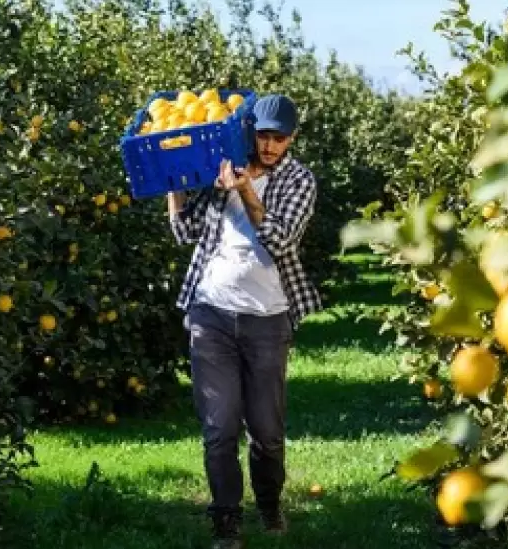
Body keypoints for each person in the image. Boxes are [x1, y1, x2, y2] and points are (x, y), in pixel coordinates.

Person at [166, 93, 321, 549]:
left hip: (268, 321)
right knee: (219, 428)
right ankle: (226, 520)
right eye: (264, 136)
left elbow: (281, 239)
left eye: (280, 138)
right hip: (211, 312)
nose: (270, 146)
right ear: (250, 132)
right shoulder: (223, 167)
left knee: (268, 433)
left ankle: (269, 504)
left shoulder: (299, 180)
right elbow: (185, 232)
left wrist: (246, 191)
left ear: (291, 139)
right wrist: (177, 181)